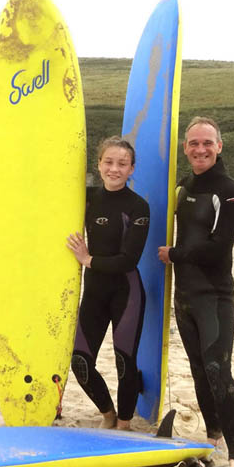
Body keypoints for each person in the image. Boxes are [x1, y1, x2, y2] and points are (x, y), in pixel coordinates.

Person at [157, 117, 234, 467]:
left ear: (219, 146)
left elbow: (218, 247)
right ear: (185, 148)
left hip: (214, 294)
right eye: (193, 143)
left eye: (207, 142)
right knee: (198, 371)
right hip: (184, 295)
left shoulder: (230, 191)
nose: (200, 149)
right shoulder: (182, 187)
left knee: (218, 371)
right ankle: (215, 438)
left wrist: (173, 255)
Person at [66, 136, 150, 430]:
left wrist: (88, 259)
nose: (114, 169)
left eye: (122, 164)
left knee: (124, 361)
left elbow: (128, 260)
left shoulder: (138, 207)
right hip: (95, 293)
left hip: (127, 292)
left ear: (131, 169)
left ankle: (125, 423)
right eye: (109, 162)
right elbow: (40, 198)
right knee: (79, 360)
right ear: (99, 165)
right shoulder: (86, 197)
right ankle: (108, 413)